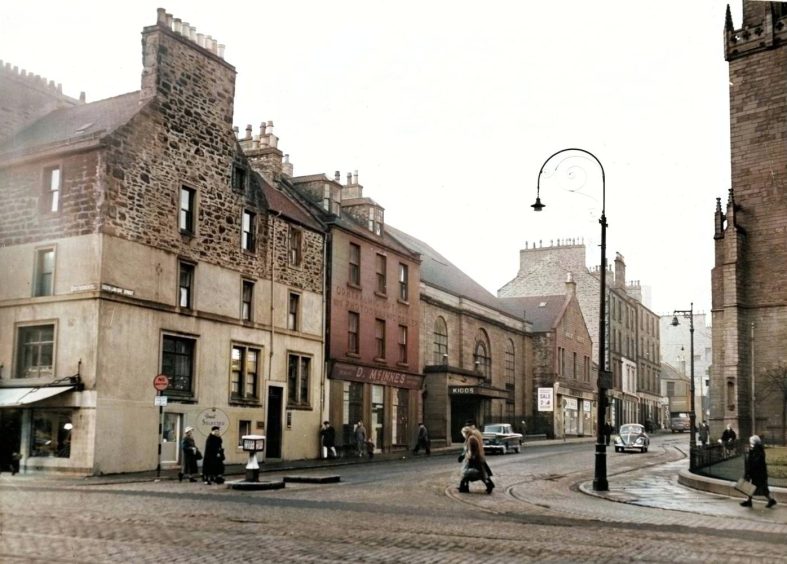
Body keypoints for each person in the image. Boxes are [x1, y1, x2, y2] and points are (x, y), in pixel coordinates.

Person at [740, 435, 777, 508]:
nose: (750, 443)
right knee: (753, 487)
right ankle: (749, 501)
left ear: (754, 442)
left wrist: (749, 470)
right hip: (758, 473)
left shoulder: (757, 450)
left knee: (760, 488)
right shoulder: (757, 449)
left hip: (759, 473)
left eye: (751, 441)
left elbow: (755, 461)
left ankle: (770, 500)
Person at [457, 428, 494, 494]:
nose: (462, 435)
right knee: (469, 474)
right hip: (472, 459)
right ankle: (463, 487)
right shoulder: (469, 439)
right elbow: (466, 450)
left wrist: (470, 457)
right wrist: (462, 456)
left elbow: (472, 450)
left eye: (463, 433)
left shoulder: (471, 439)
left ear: (465, 433)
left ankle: (489, 485)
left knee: (478, 474)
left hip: (474, 459)